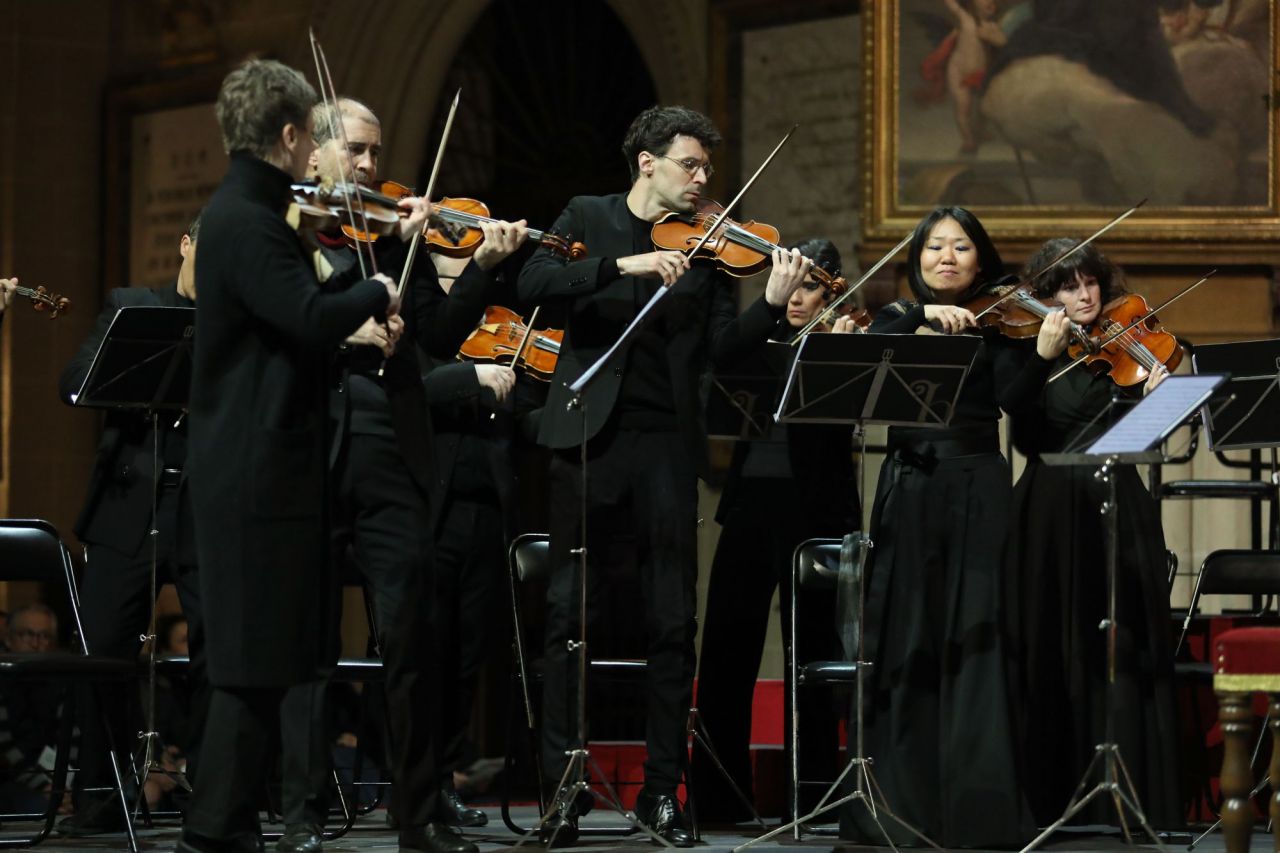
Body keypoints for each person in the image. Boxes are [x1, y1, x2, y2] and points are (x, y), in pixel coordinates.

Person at [517, 104, 811, 847]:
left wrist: (771, 306)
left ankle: (661, 794)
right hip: (587, 434)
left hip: (665, 446)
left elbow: (723, 350)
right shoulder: (587, 214)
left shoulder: (712, 252)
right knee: (567, 618)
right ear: (647, 161)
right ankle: (561, 789)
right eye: (692, 165)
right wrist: (626, 264)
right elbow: (535, 280)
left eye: (708, 168)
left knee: (672, 617)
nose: (704, 179)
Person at [178, 59, 428, 853]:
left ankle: (222, 828)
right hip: (255, 468)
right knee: (251, 666)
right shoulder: (248, 219)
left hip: (262, 463)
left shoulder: (253, 210)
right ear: (290, 137)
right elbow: (306, 314)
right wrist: (375, 292)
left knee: (262, 662)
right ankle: (213, 831)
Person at [274, 95, 527, 853]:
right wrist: (337, 324)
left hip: (390, 439)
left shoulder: (389, 242)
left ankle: (416, 812)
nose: (371, 168)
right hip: (315, 437)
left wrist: (479, 269)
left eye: (376, 154)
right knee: (308, 642)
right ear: (312, 155)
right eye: (356, 151)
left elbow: (440, 337)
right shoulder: (283, 236)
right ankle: (302, 814)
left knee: (410, 634)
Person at [839, 206, 1065, 848]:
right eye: (935, 245)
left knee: (977, 635)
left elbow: (1008, 406)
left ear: (980, 259)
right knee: (908, 635)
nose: (947, 256)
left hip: (976, 482)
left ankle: (978, 808)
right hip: (909, 484)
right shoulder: (893, 319)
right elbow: (864, 370)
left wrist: (1042, 358)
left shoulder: (998, 324)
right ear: (916, 258)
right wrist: (919, 317)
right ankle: (899, 804)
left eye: (961, 247)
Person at [1002, 238, 1183, 829]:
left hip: (1117, 500)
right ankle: (1054, 797)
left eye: (1091, 284)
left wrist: (1158, 403)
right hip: (1051, 505)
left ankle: (1130, 794)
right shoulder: (1035, 347)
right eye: (1069, 287)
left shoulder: (1124, 354)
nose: (1085, 296)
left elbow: (1137, 442)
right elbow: (1024, 430)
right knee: (1052, 639)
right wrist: (1041, 357)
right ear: (1047, 296)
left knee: (1124, 638)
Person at [691, 238, 859, 820]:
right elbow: (721, 356)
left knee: (810, 652)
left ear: (830, 293)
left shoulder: (843, 346)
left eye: (809, 286)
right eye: (789, 283)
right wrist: (769, 298)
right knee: (725, 652)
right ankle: (718, 798)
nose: (795, 296)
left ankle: (812, 794)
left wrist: (842, 352)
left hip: (816, 511)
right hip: (750, 506)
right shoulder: (753, 337)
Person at [55, 217, 205, 838]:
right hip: (128, 507)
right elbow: (73, 386)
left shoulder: (242, 326)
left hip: (204, 511)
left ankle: (213, 790)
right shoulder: (132, 307)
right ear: (187, 244)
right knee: (102, 654)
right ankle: (98, 792)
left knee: (219, 654)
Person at [0, 605, 71, 816]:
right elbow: (4, 749)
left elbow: (71, 739)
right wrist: (45, 787)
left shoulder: (63, 682)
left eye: (44, 636)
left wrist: (63, 787)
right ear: (8, 639)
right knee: (40, 807)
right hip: (11, 777)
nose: (35, 643)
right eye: (27, 634)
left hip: (58, 779)